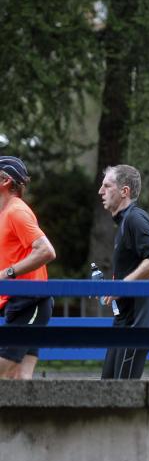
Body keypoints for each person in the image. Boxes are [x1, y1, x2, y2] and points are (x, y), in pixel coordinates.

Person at [98, 164, 149, 379]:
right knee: (108, 385)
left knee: (123, 391)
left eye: (107, 186)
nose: (100, 191)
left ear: (124, 191)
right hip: (125, 319)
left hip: (139, 320)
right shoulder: (124, 222)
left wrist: (122, 285)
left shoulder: (135, 218)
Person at [0, 156, 56, 379]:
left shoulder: (16, 212)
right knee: (20, 379)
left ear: (5, 181)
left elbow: (46, 251)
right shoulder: (5, 213)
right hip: (18, 302)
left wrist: (8, 273)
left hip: (30, 302)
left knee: (5, 374)